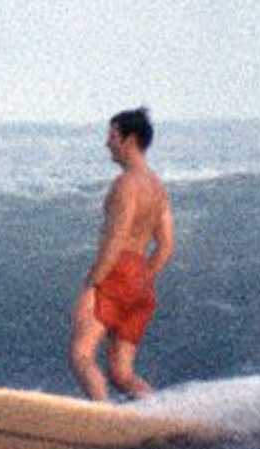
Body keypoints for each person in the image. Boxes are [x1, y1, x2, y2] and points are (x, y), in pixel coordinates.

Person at [69, 107, 174, 402]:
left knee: (81, 355)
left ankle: (102, 418)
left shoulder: (126, 185)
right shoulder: (158, 188)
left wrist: (91, 286)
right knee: (121, 373)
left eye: (112, 136)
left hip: (117, 272)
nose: (107, 143)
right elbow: (166, 246)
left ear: (129, 140)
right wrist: (142, 278)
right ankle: (159, 414)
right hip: (141, 280)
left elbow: (115, 240)